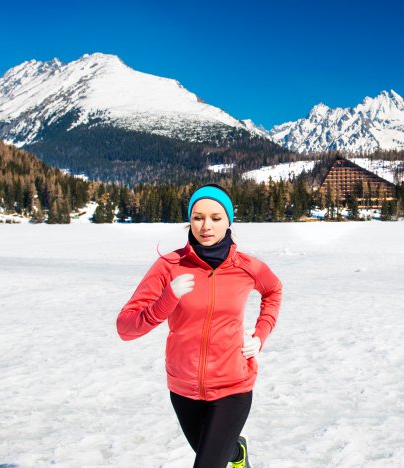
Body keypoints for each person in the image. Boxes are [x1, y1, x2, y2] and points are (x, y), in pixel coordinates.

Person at [116, 184, 283, 468]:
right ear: (189, 220)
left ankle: (231, 449)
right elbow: (126, 327)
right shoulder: (169, 266)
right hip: (183, 388)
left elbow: (273, 291)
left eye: (216, 218)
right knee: (217, 451)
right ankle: (237, 452)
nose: (206, 226)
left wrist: (261, 332)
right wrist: (166, 299)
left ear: (229, 221)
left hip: (233, 385)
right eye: (198, 217)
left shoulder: (247, 267)